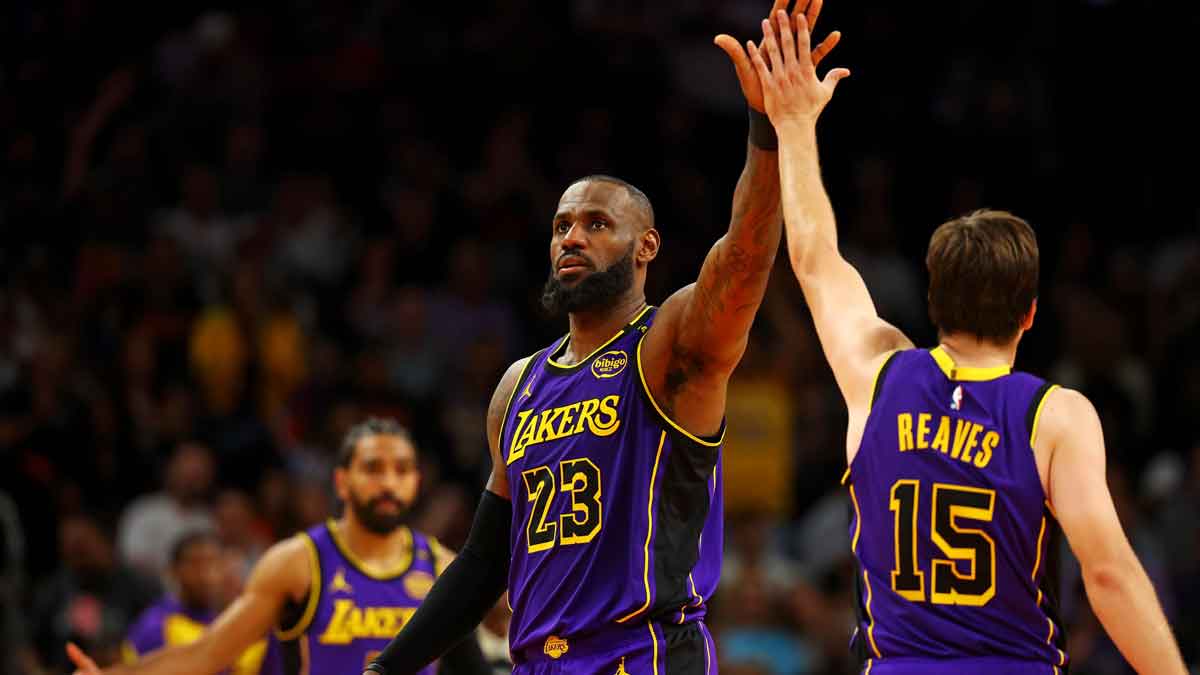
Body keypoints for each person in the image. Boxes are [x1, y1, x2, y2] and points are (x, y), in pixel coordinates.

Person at [361, 3, 846, 674]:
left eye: (595, 224)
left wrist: (767, 130)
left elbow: (743, 261)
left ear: (645, 246)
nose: (572, 238)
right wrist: (388, 667)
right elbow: (483, 562)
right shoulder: (518, 386)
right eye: (562, 226)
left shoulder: (667, 346)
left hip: (640, 655)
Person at [746, 10, 1188, 674]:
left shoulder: (877, 375)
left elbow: (814, 256)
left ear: (931, 300)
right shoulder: (1056, 416)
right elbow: (1110, 576)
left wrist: (795, 123)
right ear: (1031, 313)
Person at [68, 418, 490, 675]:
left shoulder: (442, 565)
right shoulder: (299, 562)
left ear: (416, 483)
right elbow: (209, 653)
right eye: (372, 468)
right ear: (341, 481)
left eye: (402, 470)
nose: (388, 483)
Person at [122, 531, 266, 675]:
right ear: (173, 571)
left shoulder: (249, 624)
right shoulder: (154, 627)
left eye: (213, 562)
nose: (206, 575)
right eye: (195, 564)